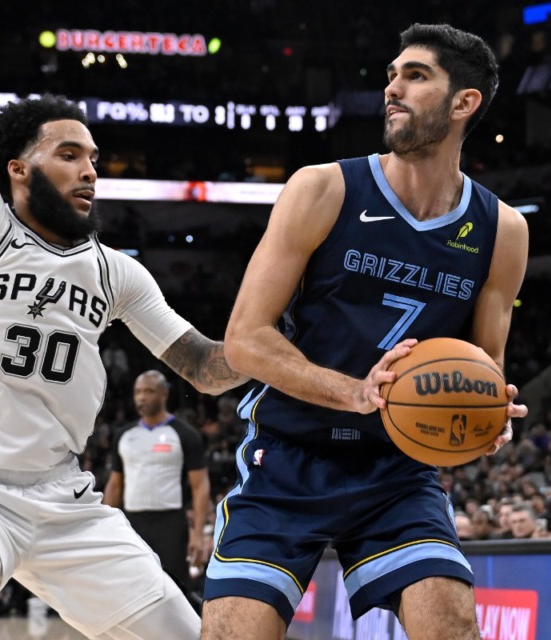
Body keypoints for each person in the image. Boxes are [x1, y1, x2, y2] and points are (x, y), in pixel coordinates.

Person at [0, 2, 246, 639]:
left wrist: (279, 343)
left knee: (183, 632)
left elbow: (204, 368)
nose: (90, 169)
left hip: (67, 501)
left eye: (92, 156)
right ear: (19, 169)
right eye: (69, 154)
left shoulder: (118, 272)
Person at [202, 23, 529, 640]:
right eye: (390, 75)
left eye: (415, 76)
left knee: (452, 624)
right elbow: (246, 337)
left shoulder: (502, 230)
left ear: (465, 103)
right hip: (289, 456)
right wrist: (353, 391)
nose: (392, 89)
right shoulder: (324, 187)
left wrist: (490, 416)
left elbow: (485, 361)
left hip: (397, 467)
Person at [103, 370, 211, 587]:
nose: (142, 397)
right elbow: (115, 485)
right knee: (130, 585)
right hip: (132, 521)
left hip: (170, 523)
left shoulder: (185, 434)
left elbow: (200, 486)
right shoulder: (123, 435)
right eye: (138, 392)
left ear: (164, 394)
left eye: (149, 391)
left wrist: (198, 534)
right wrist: (104, 527)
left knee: (174, 586)